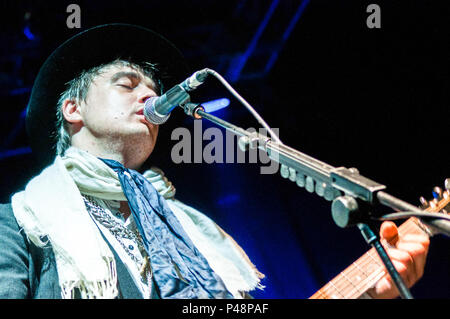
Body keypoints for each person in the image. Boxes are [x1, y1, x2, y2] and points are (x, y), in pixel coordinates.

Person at [0, 24, 429, 299]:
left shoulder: (188, 229)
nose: (150, 95)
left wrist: (371, 294)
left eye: (152, 87)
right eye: (127, 84)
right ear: (72, 110)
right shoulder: (20, 223)